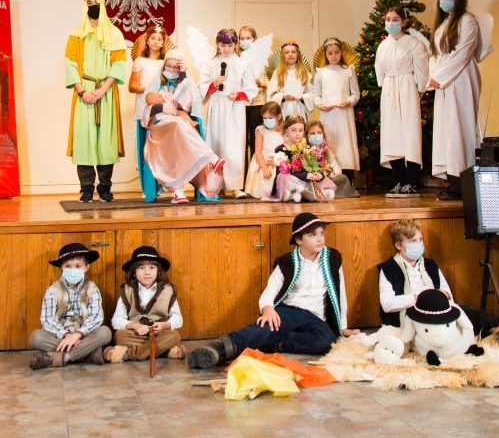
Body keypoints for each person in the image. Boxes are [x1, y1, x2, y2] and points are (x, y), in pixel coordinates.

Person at [187, 212, 358, 368]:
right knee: (266, 327)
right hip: (290, 311)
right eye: (312, 235)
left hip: (316, 317)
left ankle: (276, 343)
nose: (319, 239)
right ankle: (219, 350)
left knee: (327, 340)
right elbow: (269, 292)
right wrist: (268, 309)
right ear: (299, 240)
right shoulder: (287, 262)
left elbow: (340, 293)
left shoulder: (333, 257)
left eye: (321, 233)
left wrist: (342, 326)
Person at [377, 220, 499, 352]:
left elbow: (448, 294)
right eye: (413, 241)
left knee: (470, 313)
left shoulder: (430, 265)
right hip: (413, 317)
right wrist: (420, 297)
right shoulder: (388, 269)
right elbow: (387, 304)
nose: (419, 244)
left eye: (420, 239)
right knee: (456, 327)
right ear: (399, 245)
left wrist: (441, 299)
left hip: (440, 308)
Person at [66, 0, 128, 203]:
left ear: (103, 5)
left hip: (106, 92)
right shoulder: (76, 35)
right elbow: (70, 65)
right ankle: (86, 189)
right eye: (89, 2)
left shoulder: (115, 34)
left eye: (97, 2)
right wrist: (82, 91)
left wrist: (103, 89)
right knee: (84, 140)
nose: (93, 5)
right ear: (84, 5)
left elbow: (119, 63)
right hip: (84, 92)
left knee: (105, 142)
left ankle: (104, 188)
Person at [428, 0, 488, 200]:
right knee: (447, 131)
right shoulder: (442, 25)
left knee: (459, 128)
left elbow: (463, 52)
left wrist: (440, 76)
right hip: (443, 82)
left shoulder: (468, 20)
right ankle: (452, 180)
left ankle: (463, 182)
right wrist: (434, 77)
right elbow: (434, 54)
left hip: (461, 78)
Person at [142, 50, 226, 203]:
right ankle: (210, 158)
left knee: (180, 125)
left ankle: (178, 191)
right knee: (178, 124)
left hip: (179, 125)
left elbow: (187, 105)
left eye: (176, 67)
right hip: (160, 128)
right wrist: (160, 107)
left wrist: (183, 76)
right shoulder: (156, 86)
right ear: (163, 66)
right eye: (169, 66)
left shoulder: (186, 83)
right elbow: (146, 108)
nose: (172, 70)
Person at [29, 243, 112, 369]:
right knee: (36, 337)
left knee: (105, 332)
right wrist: (66, 335)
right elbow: (47, 319)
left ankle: (62, 358)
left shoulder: (92, 288)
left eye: (78, 266)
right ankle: (88, 354)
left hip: (83, 335)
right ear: (62, 267)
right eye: (68, 266)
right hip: (60, 336)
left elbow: (96, 317)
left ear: (86, 267)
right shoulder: (53, 290)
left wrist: (77, 334)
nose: (73, 270)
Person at [375, 7, 429, 197]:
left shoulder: (413, 43)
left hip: (407, 87)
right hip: (389, 89)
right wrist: (386, 86)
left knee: (409, 133)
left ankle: (412, 181)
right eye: (388, 19)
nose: (390, 23)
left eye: (395, 19)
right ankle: (398, 180)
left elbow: (422, 70)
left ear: (404, 22)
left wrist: (418, 92)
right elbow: (379, 70)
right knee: (392, 134)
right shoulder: (383, 45)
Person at [199, 29, 256, 199]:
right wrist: (214, 84)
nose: (226, 49)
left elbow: (251, 88)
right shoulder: (210, 64)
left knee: (233, 146)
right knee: (215, 144)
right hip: (216, 106)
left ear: (235, 45)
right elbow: (201, 87)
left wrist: (238, 95)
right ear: (217, 45)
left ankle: (236, 186)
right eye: (223, 45)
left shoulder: (242, 64)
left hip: (234, 108)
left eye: (229, 45)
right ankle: (215, 185)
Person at [104, 246, 186, 363]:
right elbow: (116, 320)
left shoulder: (168, 290)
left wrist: (163, 325)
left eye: (152, 267)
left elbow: (178, 318)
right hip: (135, 334)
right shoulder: (127, 290)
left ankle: (128, 354)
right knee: (119, 336)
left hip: (159, 333)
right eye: (141, 268)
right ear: (134, 272)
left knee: (174, 336)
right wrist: (135, 326)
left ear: (158, 271)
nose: (147, 272)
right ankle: (164, 350)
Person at [130, 26, 169, 200]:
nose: (156, 42)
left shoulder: (165, 62)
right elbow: (132, 86)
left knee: (161, 149)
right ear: (147, 40)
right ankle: (147, 186)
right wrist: (148, 90)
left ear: (163, 43)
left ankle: (160, 186)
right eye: (153, 38)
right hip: (143, 109)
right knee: (145, 149)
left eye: (159, 39)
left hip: (161, 110)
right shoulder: (140, 61)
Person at [312, 37, 360, 175]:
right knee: (329, 140)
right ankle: (329, 174)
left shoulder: (348, 70)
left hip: (344, 114)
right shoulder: (321, 72)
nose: (334, 56)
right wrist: (320, 105)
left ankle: (347, 176)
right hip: (328, 115)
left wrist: (349, 102)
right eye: (330, 53)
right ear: (325, 55)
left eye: (336, 52)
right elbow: (316, 95)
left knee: (345, 142)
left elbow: (356, 93)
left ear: (341, 52)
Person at [268, 115, 336, 203]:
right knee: (285, 177)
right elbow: (287, 170)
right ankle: (294, 193)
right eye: (293, 130)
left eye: (300, 130)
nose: (297, 134)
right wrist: (305, 175)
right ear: (286, 131)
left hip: (304, 179)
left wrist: (318, 173)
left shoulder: (306, 148)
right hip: (290, 179)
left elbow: (315, 165)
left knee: (320, 178)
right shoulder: (280, 149)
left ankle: (314, 193)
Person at [238, 26, 271, 175]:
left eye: (248, 38)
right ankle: (242, 177)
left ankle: (254, 175)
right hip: (241, 104)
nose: (245, 41)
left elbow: (270, 83)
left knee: (256, 142)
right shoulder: (236, 59)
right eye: (242, 38)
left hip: (258, 104)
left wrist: (259, 82)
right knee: (242, 142)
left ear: (254, 40)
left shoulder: (263, 58)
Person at [305, 121, 359, 199]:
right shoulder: (304, 150)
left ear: (323, 134)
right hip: (311, 180)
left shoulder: (327, 150)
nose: (316, 136)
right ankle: (320, 193)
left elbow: (337, 170)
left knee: (343, 178)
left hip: (327, 179)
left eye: (319, 133)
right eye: (312, 133)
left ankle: (324, 192)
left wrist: (325, 174)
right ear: (306, 136)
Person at [244, 102, 285, 200]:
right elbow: (258, 152)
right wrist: (265, 168)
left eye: (270, 118)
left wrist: (280, 162)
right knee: (264, 185)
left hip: (278, 161)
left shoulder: (284, 131)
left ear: (279, 117)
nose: (267, 121)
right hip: (262, 162)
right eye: (265, 118)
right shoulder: (261, 130)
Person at [267, 41, 315, 121]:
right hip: (284, 109)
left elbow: (312, 93)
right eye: (287, 52)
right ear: (283, 56)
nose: (290, 54)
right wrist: (283, 96)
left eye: (293, 52)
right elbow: (271, 94)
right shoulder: (277, 73)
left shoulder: (305, 72)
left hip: (300, 109)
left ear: (298, 54)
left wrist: (303, 97)